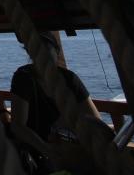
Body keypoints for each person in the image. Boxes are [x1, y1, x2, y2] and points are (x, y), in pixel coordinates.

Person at [10, 32, 102, 174]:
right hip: (39, 150)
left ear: (56, 52)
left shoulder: (70, 79)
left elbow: (95, 120)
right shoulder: (24, 78)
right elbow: (18, 126)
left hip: (68, 147)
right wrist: (48, 150)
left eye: (47, 51)